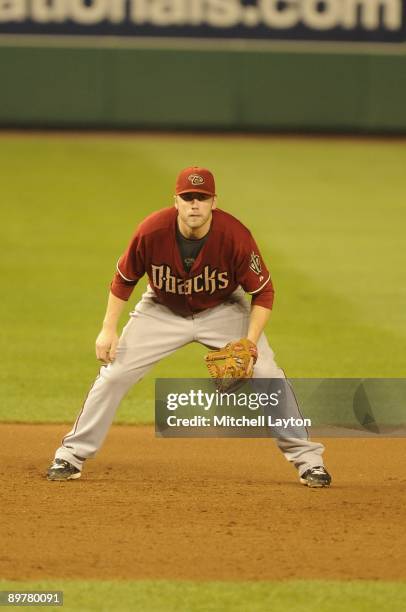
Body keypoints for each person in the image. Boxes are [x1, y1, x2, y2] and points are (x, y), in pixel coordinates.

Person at [47, 166, 331, 488]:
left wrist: (249, 344)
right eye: (188, 197)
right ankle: (71, 454)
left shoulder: (235, 236)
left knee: (267, 374)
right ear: (176, 201)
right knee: (114, 374)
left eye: (202, 197)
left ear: (214, 202)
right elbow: (124, 279)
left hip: (223, 309)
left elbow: (263, 291)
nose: (194, 204)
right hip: (161, 310)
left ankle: (309, 461)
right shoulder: (151, 231)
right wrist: (107, 328)